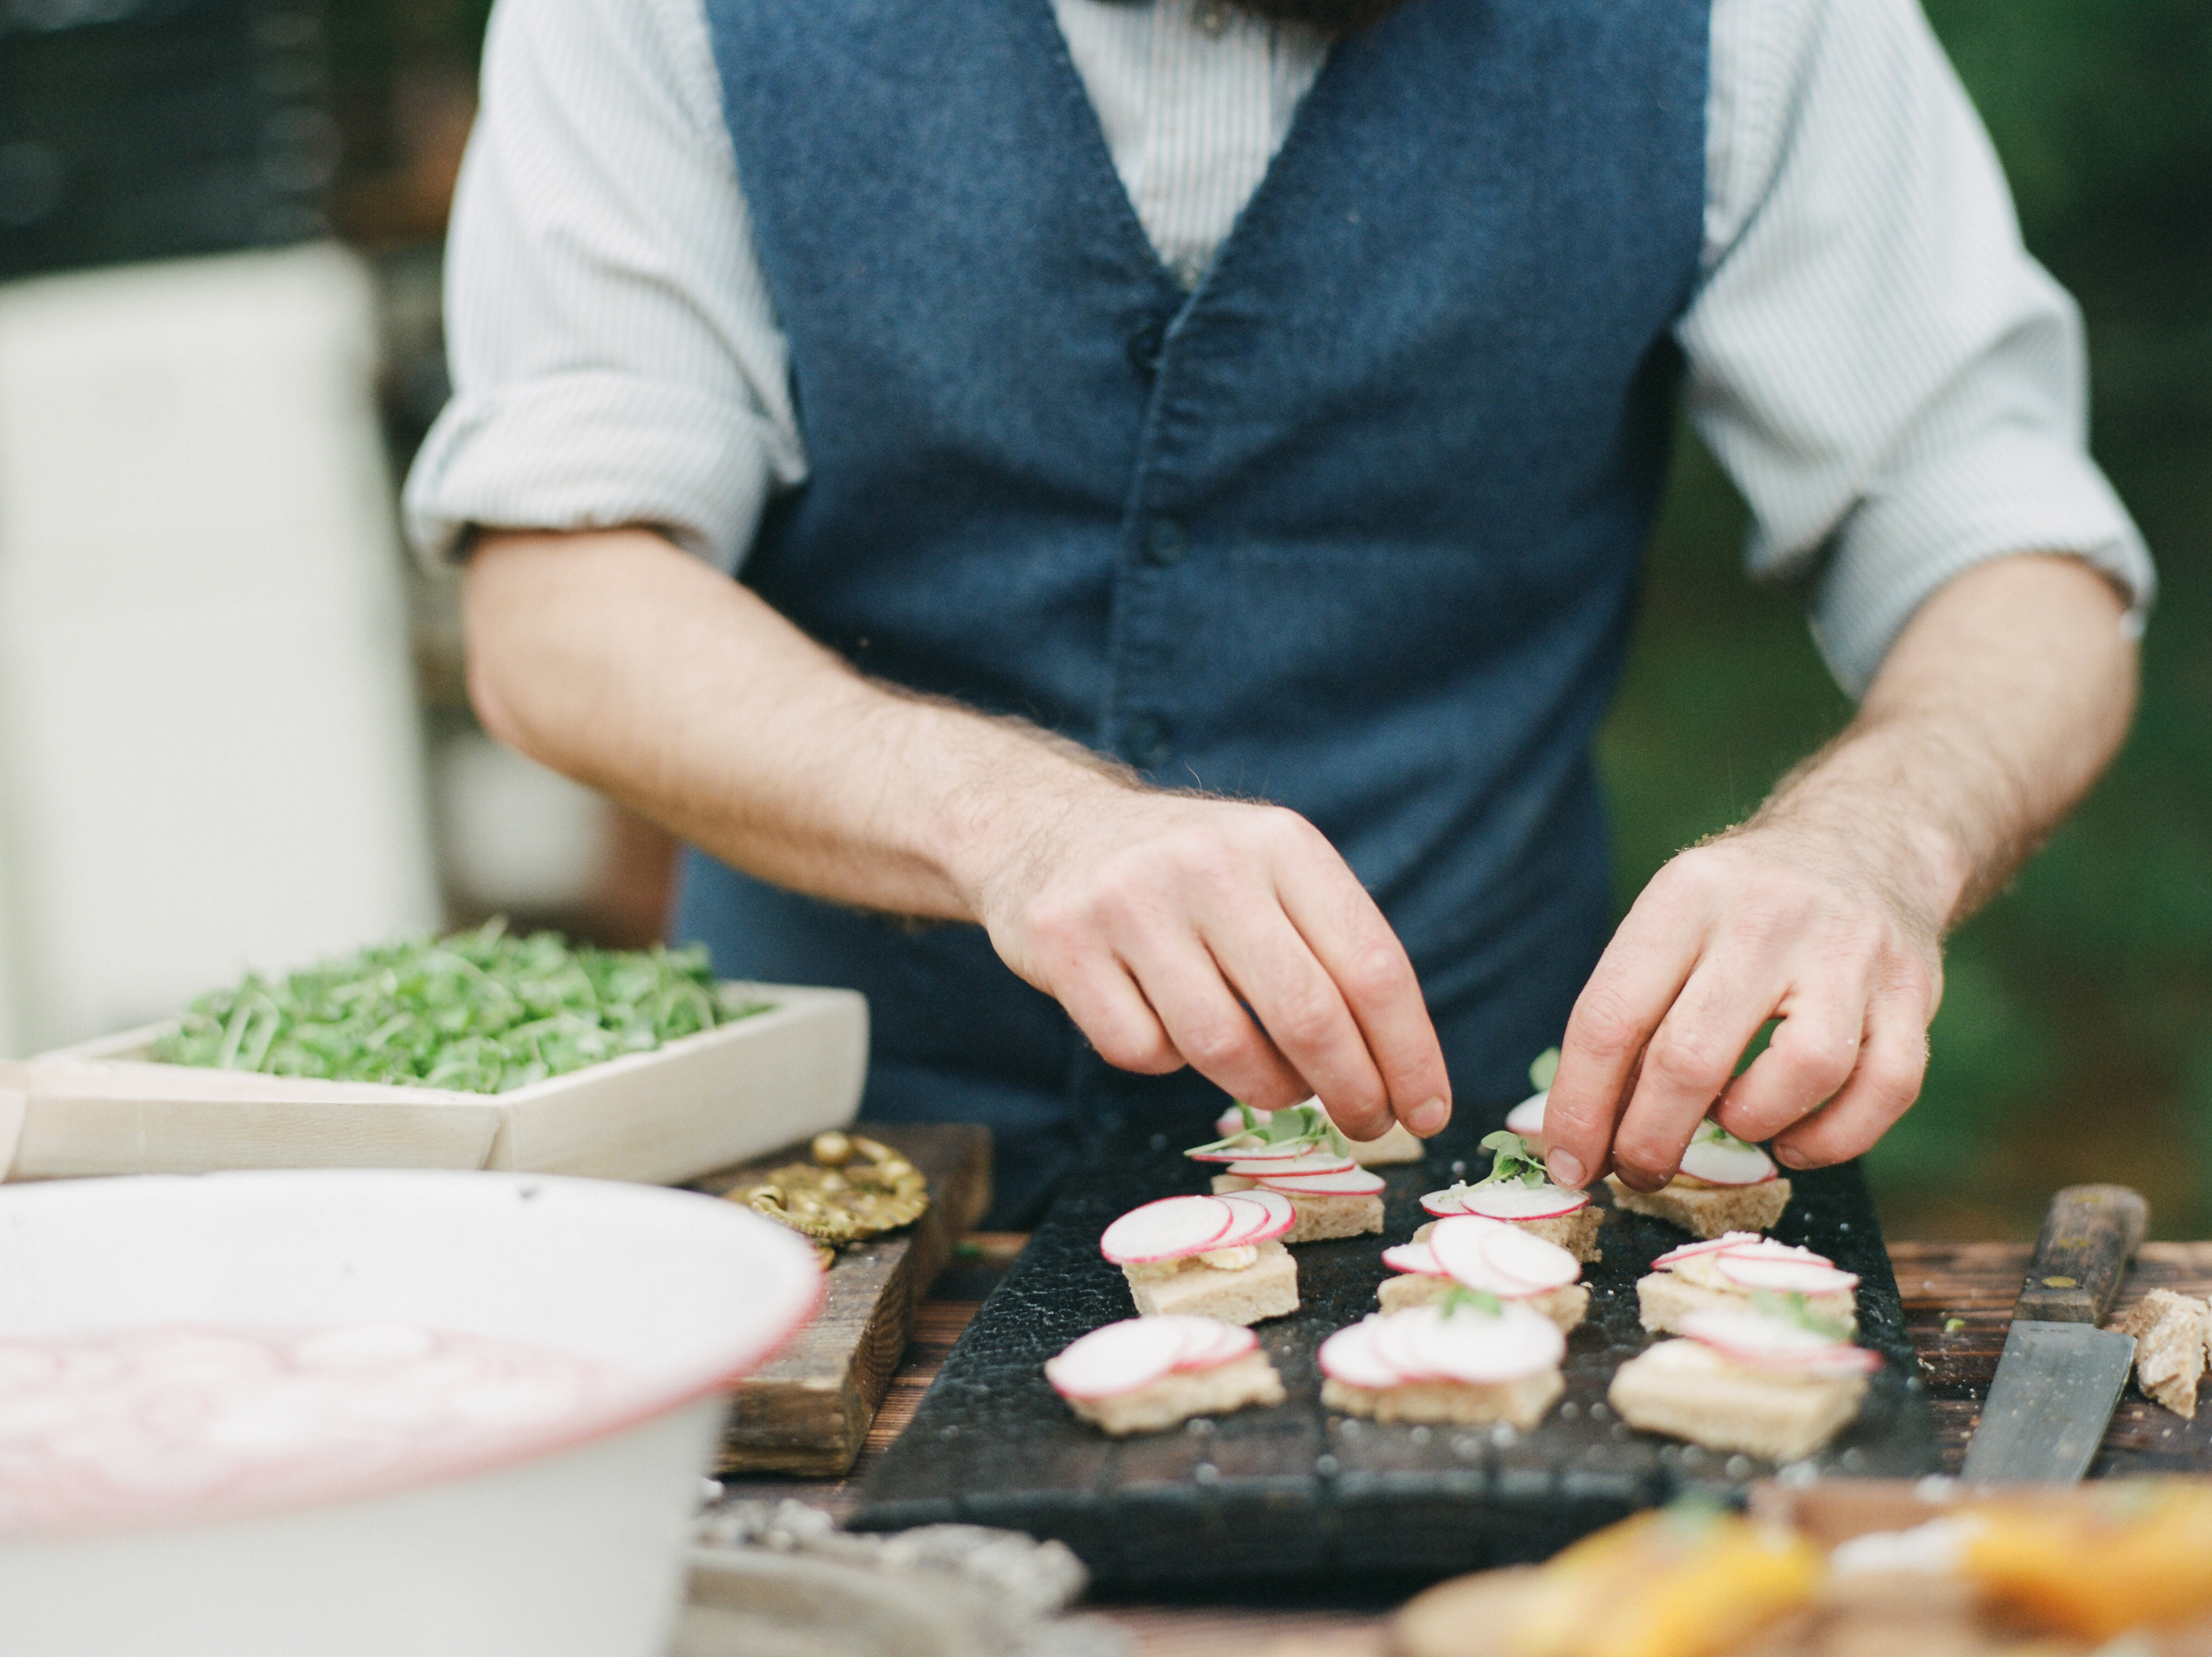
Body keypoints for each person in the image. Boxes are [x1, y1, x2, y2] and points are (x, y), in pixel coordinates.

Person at [407, 0, 2151, 1225]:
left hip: (1492, 1188)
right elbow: (563, 595)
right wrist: (1006, 822)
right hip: (833, 1194)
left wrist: (1870, 846)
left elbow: (2002, 547)